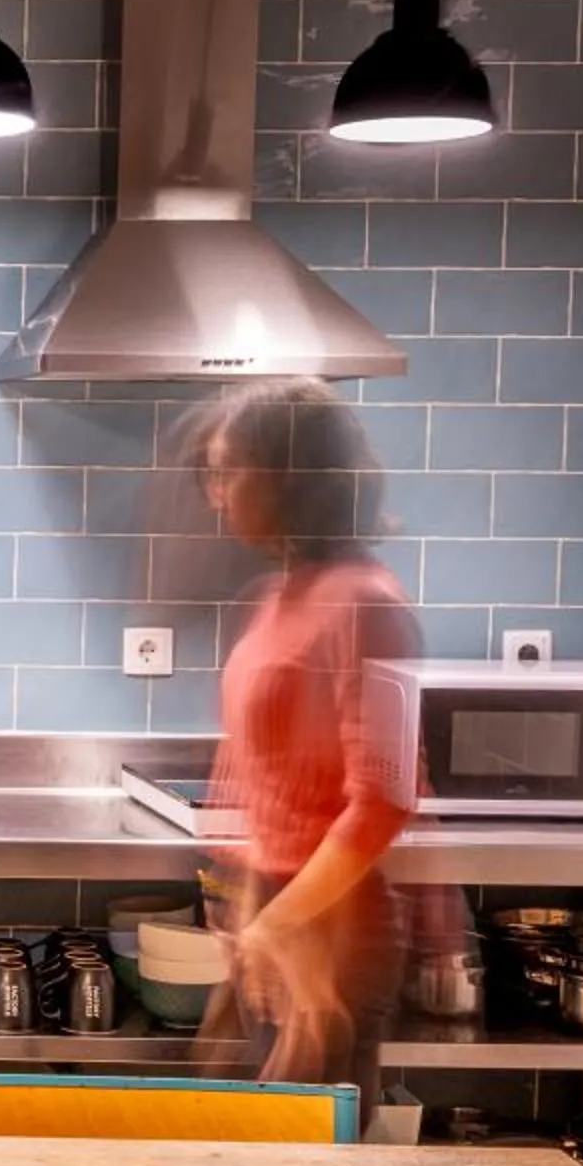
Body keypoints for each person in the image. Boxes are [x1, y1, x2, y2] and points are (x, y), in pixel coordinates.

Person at [183, 377, 423, 1092]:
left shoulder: (363, 602)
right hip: (276, 915)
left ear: (291, 476)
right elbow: (264, 777)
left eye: (230, 470)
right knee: (256, 1159)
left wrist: (282, 926)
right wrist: (248, 911)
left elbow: (383, 800)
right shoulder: (282, 594)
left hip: (332, 933)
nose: (215, 493)